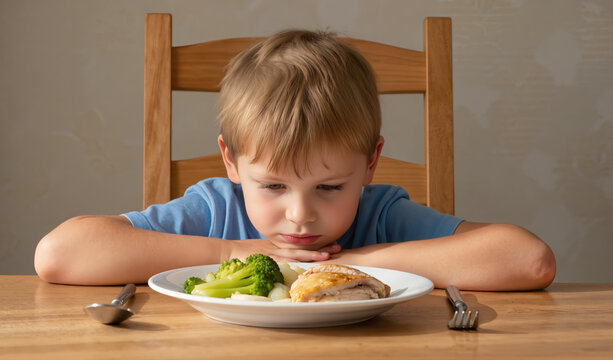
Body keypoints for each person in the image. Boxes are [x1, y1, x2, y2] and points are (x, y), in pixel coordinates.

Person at [34, 30, 556, 290]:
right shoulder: (216, 211)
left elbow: (528, 260)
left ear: (371, 164)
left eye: (330, 187)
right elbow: (59, 254)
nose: (301, 215)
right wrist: (230, 255)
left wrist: (355, 265)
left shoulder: (380, 216)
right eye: (273, 187)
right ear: (231, 162)